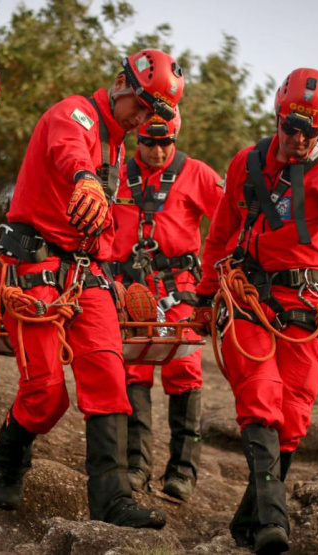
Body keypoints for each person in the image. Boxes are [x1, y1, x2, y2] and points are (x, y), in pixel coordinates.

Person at [191, 68, 318, 553]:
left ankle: (250, 522)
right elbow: (219, 235)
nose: (299, 139)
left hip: (304, 306)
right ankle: (273, 527)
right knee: (260, 396)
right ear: (278, 116)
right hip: (247, 298)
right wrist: (202, 297)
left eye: (311, 131)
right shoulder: (246, 163)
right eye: (291, 128)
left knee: (295, 416)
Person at [0, 49, 184, 529]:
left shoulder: (118, 143)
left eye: (152, 115)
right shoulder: (75, 113)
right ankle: (8, 461)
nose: (142, 119)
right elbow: (67, 148)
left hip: (86, 273)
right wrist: (85, 178)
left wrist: (117, 274)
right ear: (121, 83)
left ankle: (112, 500)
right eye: (139, 106)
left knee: (109, 378)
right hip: (35, 266)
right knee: (46, 394)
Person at [108, 107, 224, 501]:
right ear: (135, 137)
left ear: (175, 138)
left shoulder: (198, 174)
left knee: (184, 368)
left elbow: (228, 225)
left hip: (180, 287)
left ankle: (182, 472)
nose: (157, 151)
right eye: (148, 142)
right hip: (129, 289)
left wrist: (218, 281)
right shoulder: (117, 172)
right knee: (133, 370)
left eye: (165, 143)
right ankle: (137, 467)